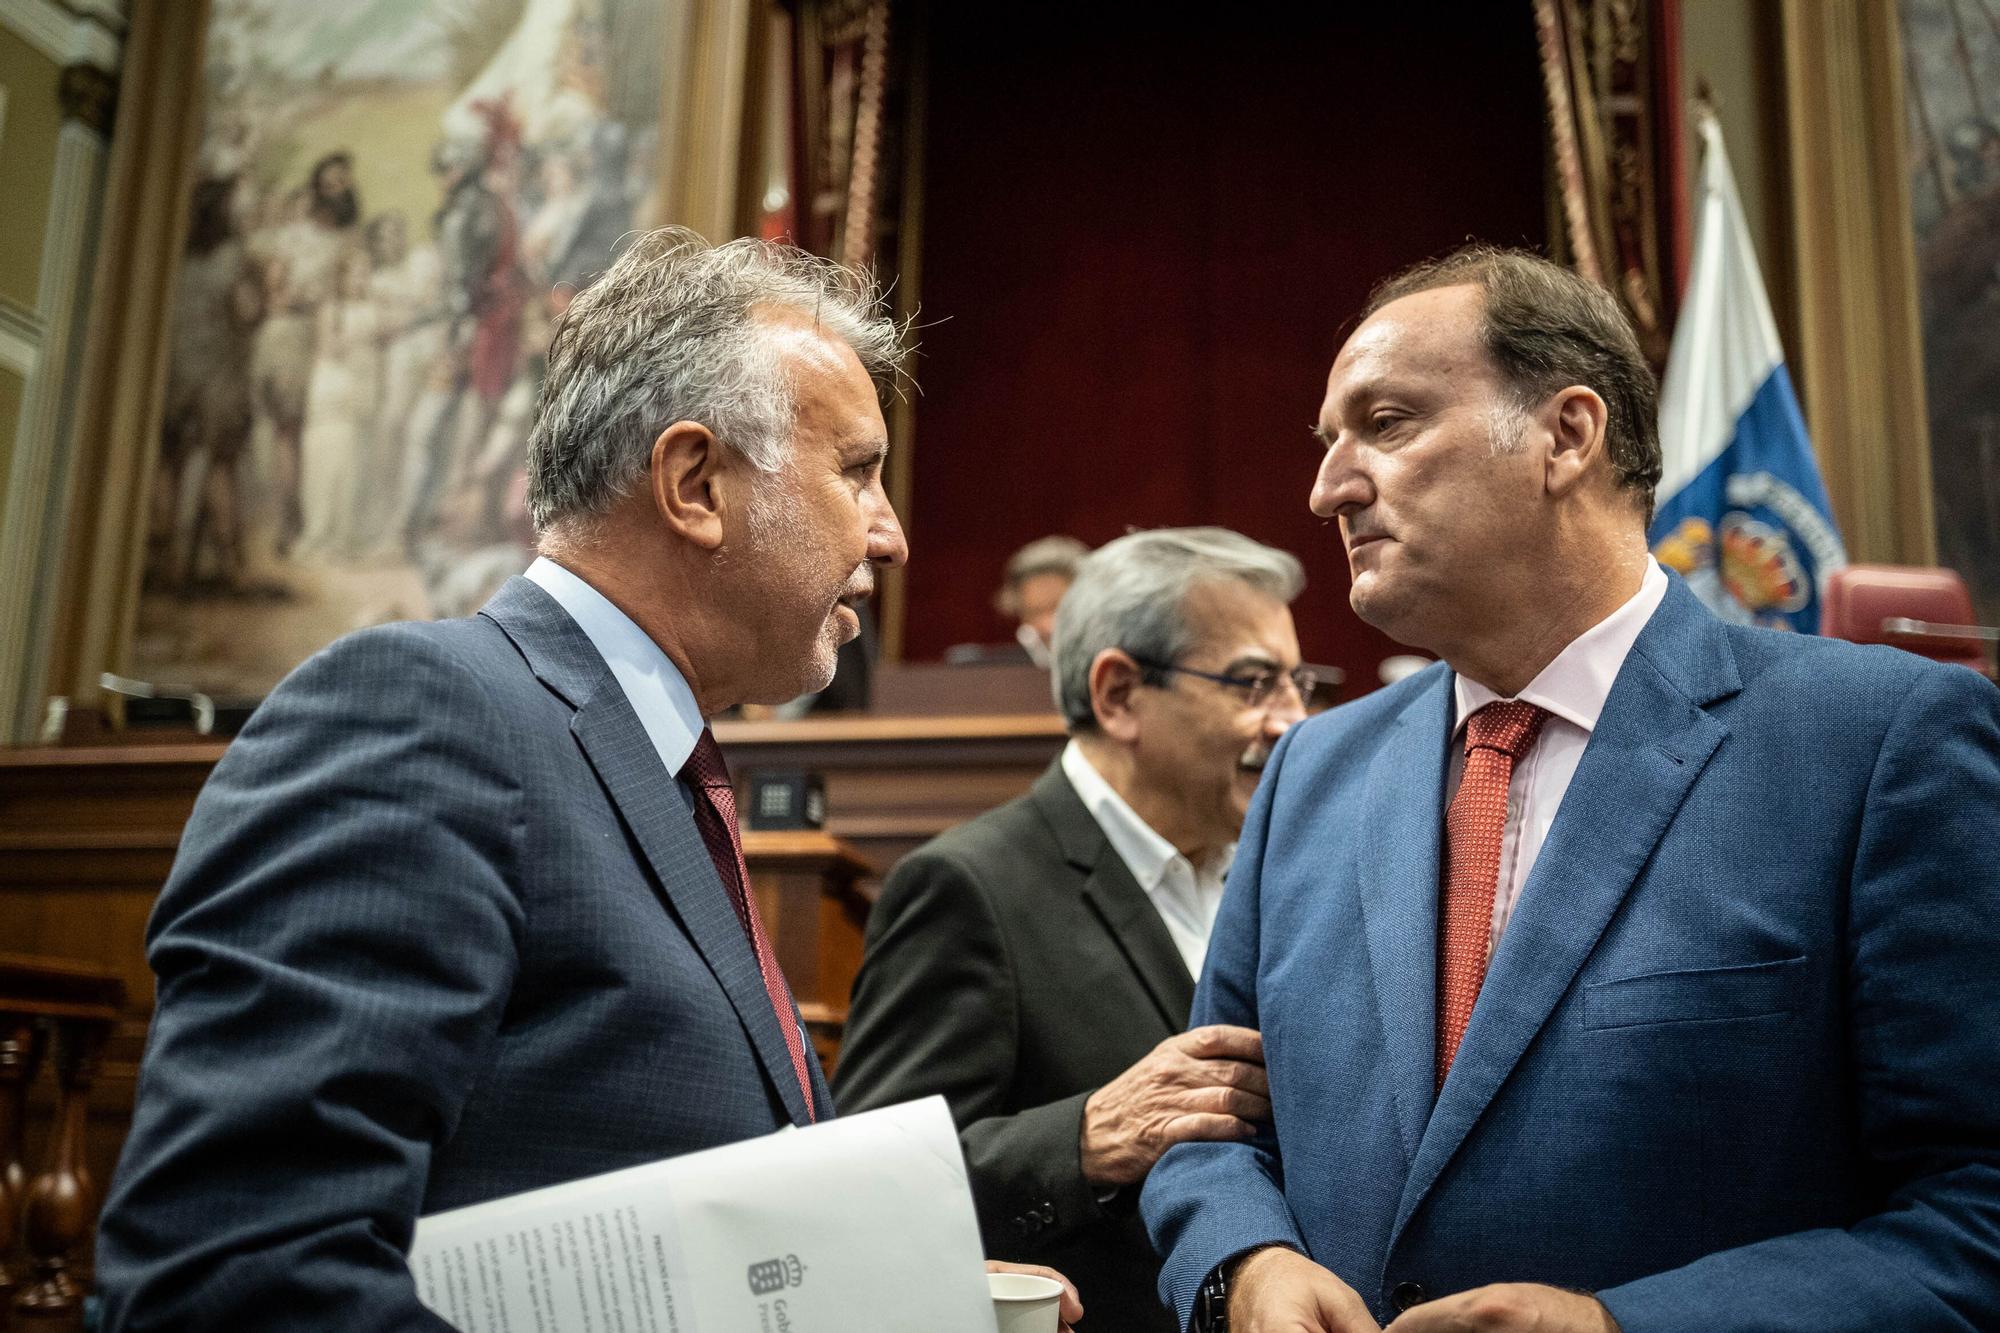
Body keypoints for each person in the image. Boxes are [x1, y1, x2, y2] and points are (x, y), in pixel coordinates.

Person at [97, 229, 1079, 1331]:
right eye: (856, 470)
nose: (889, 534)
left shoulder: (652, 771)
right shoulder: (424, 713)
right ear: (695, 482)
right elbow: (230, 1275)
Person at [1140, 245, 2000, 1332]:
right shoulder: (1311, 770)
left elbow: (1974, 1210)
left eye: (1387, 423)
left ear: (1566, 434)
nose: (1326, 488)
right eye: (1327, 443)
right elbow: (1208, 1120)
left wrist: (1619, 1326)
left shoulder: (1878, 744)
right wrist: (1245, 1259)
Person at [838, 527, 1312, 1333]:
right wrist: (1083, 1138)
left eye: (1301, 682)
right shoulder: (967, 886)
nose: (1294, 720)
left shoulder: (1289, 874)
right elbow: (865, 1189)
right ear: (1119, 693)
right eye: (1254, 683)